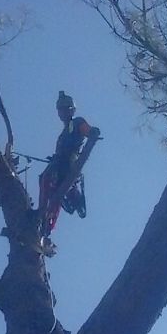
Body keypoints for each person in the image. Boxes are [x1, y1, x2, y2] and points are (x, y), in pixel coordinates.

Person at [38, 92, 99, 236]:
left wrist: (92, 132)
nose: (62, 113)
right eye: (60, 110)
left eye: (65, 109)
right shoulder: (63, 133)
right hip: (60, 162)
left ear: (71, 110)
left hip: (69, 162)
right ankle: (44, 214)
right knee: (46, 180)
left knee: (48, 179)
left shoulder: (76, 122)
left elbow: (86, 130)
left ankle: (49, 216)